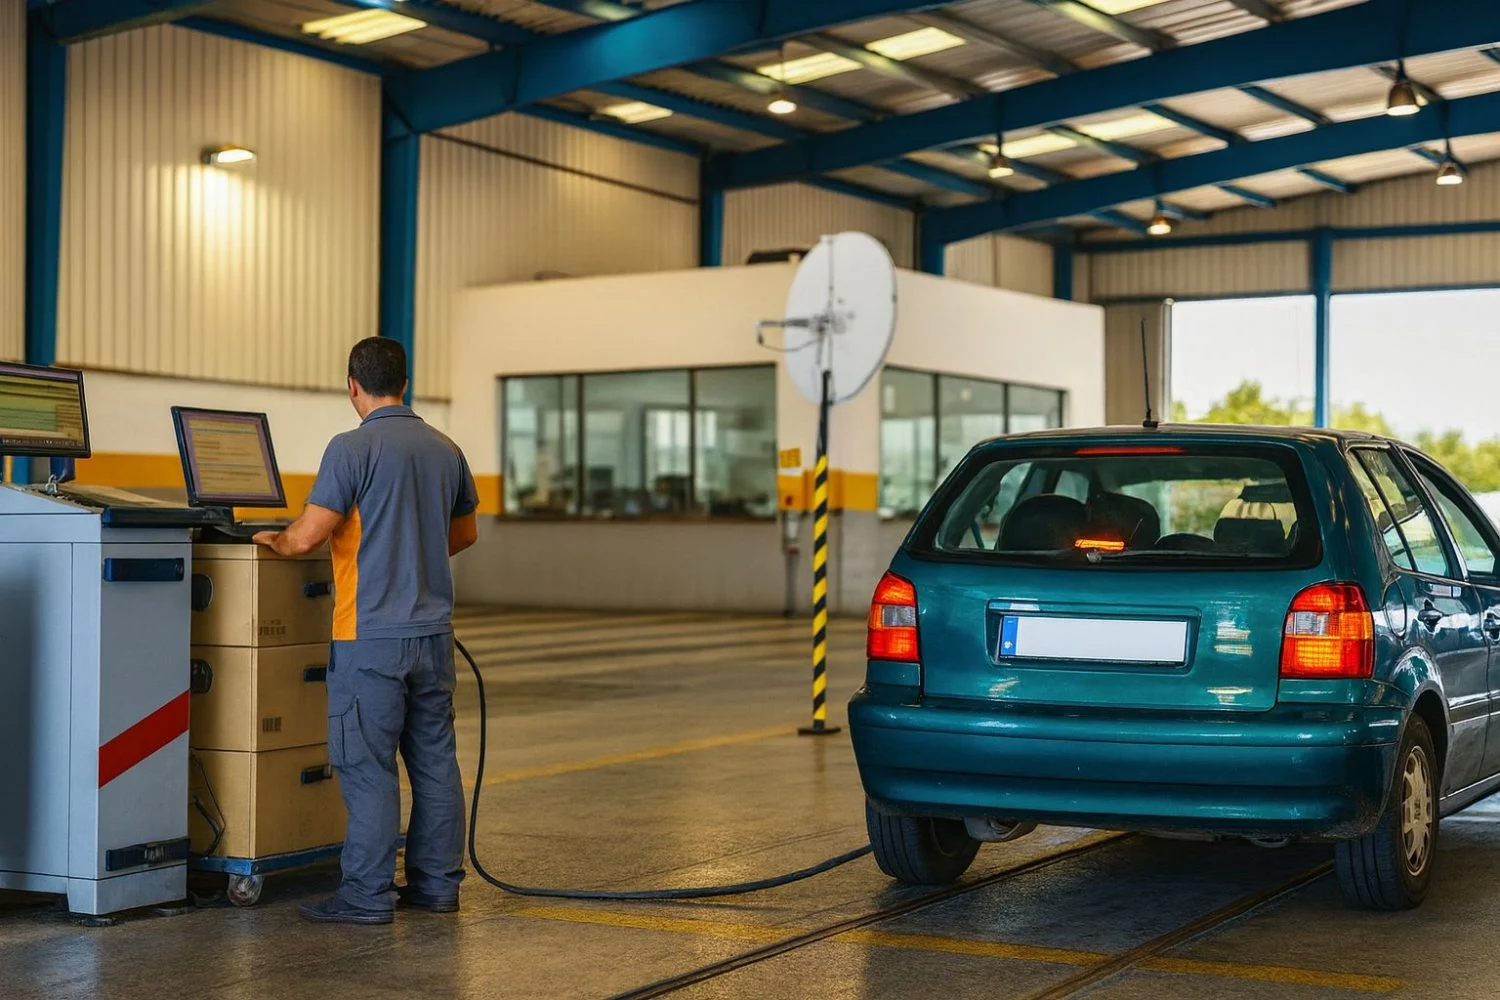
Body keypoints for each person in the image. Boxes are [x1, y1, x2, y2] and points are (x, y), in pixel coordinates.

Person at [254, 337, 480, 925]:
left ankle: (366, 895)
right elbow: (464, 534)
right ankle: (435, 888)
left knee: (367, 764)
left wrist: (272, 540)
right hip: (433, 637)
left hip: (370, 637)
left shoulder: (351, 448)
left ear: (352, 385)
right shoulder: (446, 448)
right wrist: (416, 554)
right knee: (434, 762)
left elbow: (306, 536)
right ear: (404, 383)